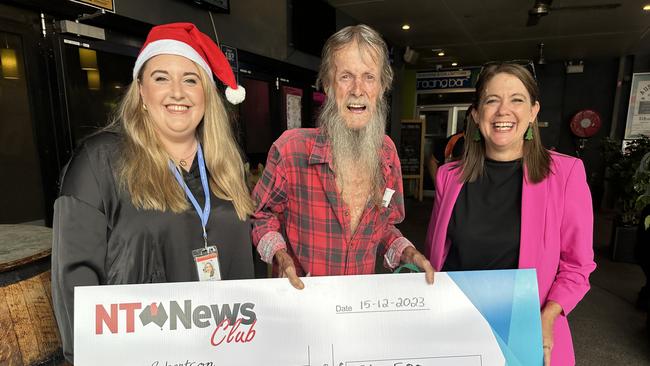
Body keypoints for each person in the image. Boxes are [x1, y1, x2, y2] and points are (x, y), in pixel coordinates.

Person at [51, 23, 253, 363]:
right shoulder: (100, 161)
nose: (177, 92)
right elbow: (75, 286)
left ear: (206, 92)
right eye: (161, 78)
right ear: (141, 91)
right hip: (139, 354)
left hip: (223, 348)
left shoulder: (226, 164)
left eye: (190, 79)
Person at [424, 63, 595, 365]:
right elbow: (437, 257)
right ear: (476, 114)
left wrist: (550, 314)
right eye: (492, 100)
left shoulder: (565, 174)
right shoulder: (450, 177)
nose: (503, 111)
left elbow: (577, 267)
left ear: (533, 111)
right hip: (458, 325)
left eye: (516, 99)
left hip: (526, 330)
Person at [251, 24, 434, 289]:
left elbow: (383, 228)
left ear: (382, 87)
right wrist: (281, 256)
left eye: (369, 77)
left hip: (359, 304)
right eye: (346, 76)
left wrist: (408, 252)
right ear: (327, 84)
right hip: (302, 301)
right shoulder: (290, 150)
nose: (358, 89)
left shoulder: (387, 153)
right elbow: (260, 215)